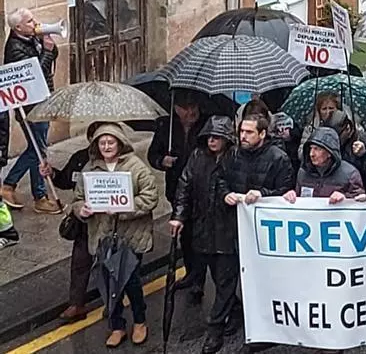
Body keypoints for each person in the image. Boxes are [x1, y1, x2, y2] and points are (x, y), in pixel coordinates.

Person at [71, 123, 160, 348]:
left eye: (111, 142)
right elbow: (77, 199)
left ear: (120, 143)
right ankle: (117, 325)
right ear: (96, 146)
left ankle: (140, 321)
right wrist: (81, 210)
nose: (107, 146)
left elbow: (150, 197)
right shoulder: (90, 170)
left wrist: (124, 209)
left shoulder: (136, 166)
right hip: (102, 236)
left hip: (130, 236)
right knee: (108, 284)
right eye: (102, 143)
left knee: (130, 281)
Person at [169, 117, 240, 354]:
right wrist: (179, 216)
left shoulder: (237, 159)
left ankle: (215, 330)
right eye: (209, 136)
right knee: (220, 281)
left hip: (229, 232)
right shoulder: (197, 158)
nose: (212, 140)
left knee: (225, 280)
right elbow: (184, 187)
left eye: (217, 137)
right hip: (202, 229)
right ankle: (237, 311)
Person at [0, 8, 60, 214]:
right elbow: (37, 74)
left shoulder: (30, 38)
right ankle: (12, 185)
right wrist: (47, 51)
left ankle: (39, 195)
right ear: (17, 27)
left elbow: (50, 60)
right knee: (37, 149)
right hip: (30, 107)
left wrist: (48, 45)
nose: (34, 23)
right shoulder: (15, 48)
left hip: (41, 100)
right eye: (29, 21)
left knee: (39, 148)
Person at [39, 123, 98, 320]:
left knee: (110, 264)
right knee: (80, 263)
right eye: (97, 140)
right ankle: (76, 303)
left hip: (111, 222)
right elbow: (65, 180)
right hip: (84, 219)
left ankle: (114, 302)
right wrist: (52, 173)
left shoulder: (124, 161)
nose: (103, 146)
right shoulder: (80, 158)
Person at [223, 112, 295, 208]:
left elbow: (285, 191)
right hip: (234, 215)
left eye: (249, 132)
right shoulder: (233, 153)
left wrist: (262, 194)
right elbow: (220, 179)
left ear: (262, 134)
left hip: (265, 217)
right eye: (241, 131)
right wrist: (226, 194)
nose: (243, 136)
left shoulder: (279, 158)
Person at [283, 127, 366, 203]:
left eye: (317, 149)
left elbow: (360, 203)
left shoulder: (350, 174)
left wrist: (345, 198)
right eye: (310, 149)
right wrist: (291, 196)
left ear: (329, 153)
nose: (311, 154)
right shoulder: (303, 172)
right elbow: (299, 201)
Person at [325, 109, 366, 194]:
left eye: (338, 135)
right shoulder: (327, 143)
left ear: (348, 128)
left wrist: (365, 154)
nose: (335, 139)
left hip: (363, 192)